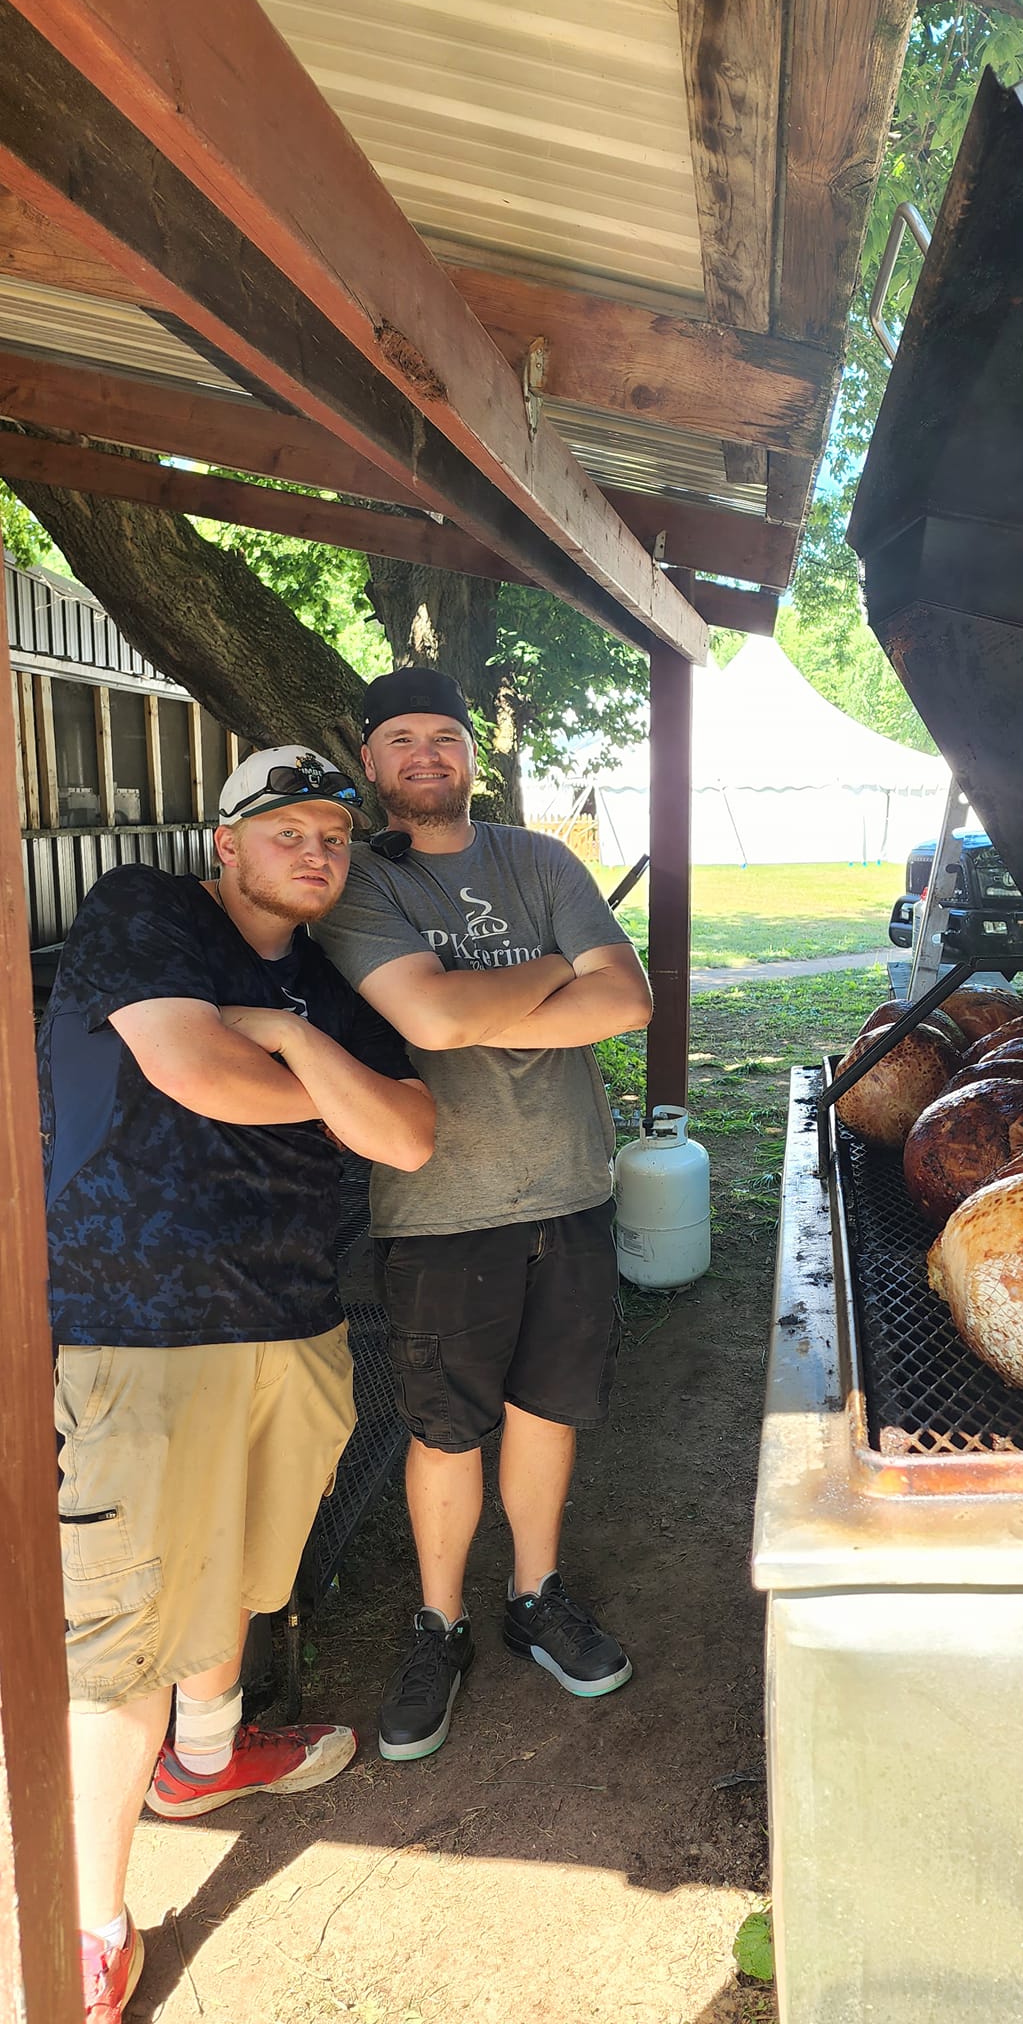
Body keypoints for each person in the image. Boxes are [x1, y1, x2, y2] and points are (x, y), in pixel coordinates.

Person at [43, 747, 437, 2024]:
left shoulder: (327, 987)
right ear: (226, 840)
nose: (316, 851)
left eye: (333, 833)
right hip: (142, 1323)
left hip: (297, 1319)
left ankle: (205, 1759)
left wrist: (289, 1034)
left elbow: (408, 1134)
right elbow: (190, 1068)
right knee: (125, 1629)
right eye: (286, 829)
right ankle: (90, 1927)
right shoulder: (144, 908)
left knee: (245, 1570)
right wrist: (322, 1086)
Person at [312, 668, 652, 1764]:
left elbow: (627, 997)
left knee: (549, 1409)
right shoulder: (358, 880)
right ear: (371, 758)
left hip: (571, 1185)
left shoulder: (541, 859)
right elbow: (427, 1017)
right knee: (444, 1428)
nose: (426, 754)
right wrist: (551, 971)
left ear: (471, 753)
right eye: (401, 738)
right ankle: (439, 1622)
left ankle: (535, 1596)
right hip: (440, 1204)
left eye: (444, 736)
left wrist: (473, 1007)